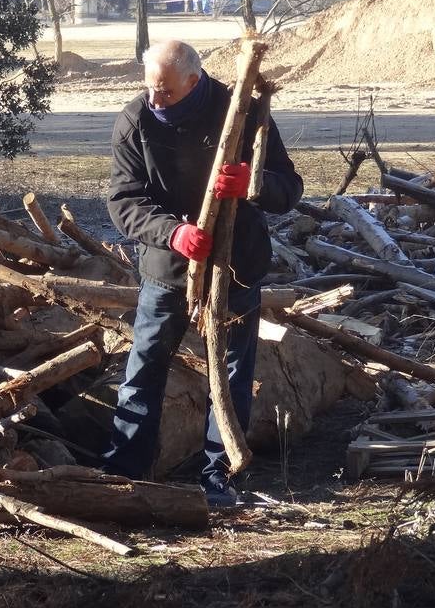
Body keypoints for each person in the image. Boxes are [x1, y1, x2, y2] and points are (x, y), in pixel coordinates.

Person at [103, 39, 303, 505]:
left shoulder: (245, 113)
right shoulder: (136, 120)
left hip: (237, 264)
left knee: (231, 373)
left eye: (166, 92)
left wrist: (252, 185)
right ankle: (124, 470)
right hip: (168, 266)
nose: (156, 100)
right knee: (145, 367)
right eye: (150, 89)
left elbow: (289, 187)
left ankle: (219, 475)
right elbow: (123, 201)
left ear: (194, 81)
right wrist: (172, 233)